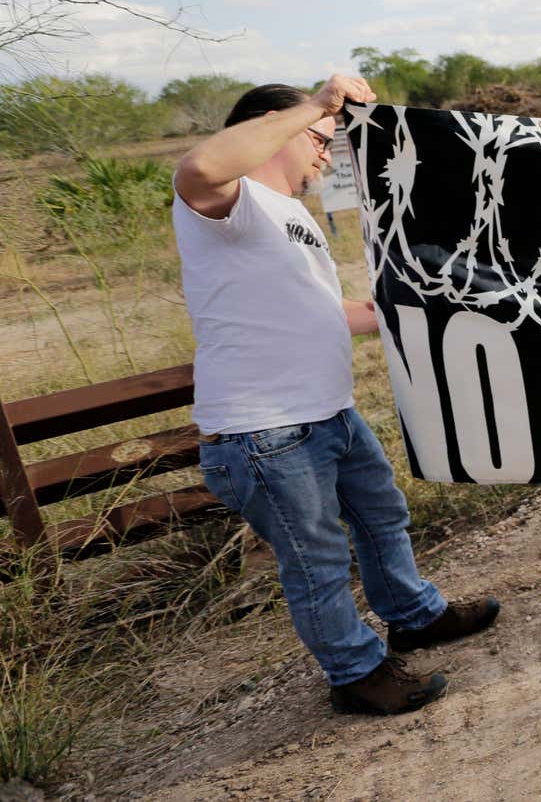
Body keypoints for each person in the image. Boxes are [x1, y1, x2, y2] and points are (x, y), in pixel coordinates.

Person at [173, 75, 500, 716]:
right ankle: (355, 673)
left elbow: (327, 311)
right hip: (263, 432)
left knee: (383, 518)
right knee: (317, 561)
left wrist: (418, 307)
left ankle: (413, 615)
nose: (328, 153)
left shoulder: (290, 214)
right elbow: (202, 163)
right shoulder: (222, 199)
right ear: (278, 123)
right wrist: (316, 103)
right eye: (322, 138)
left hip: (328, 415)